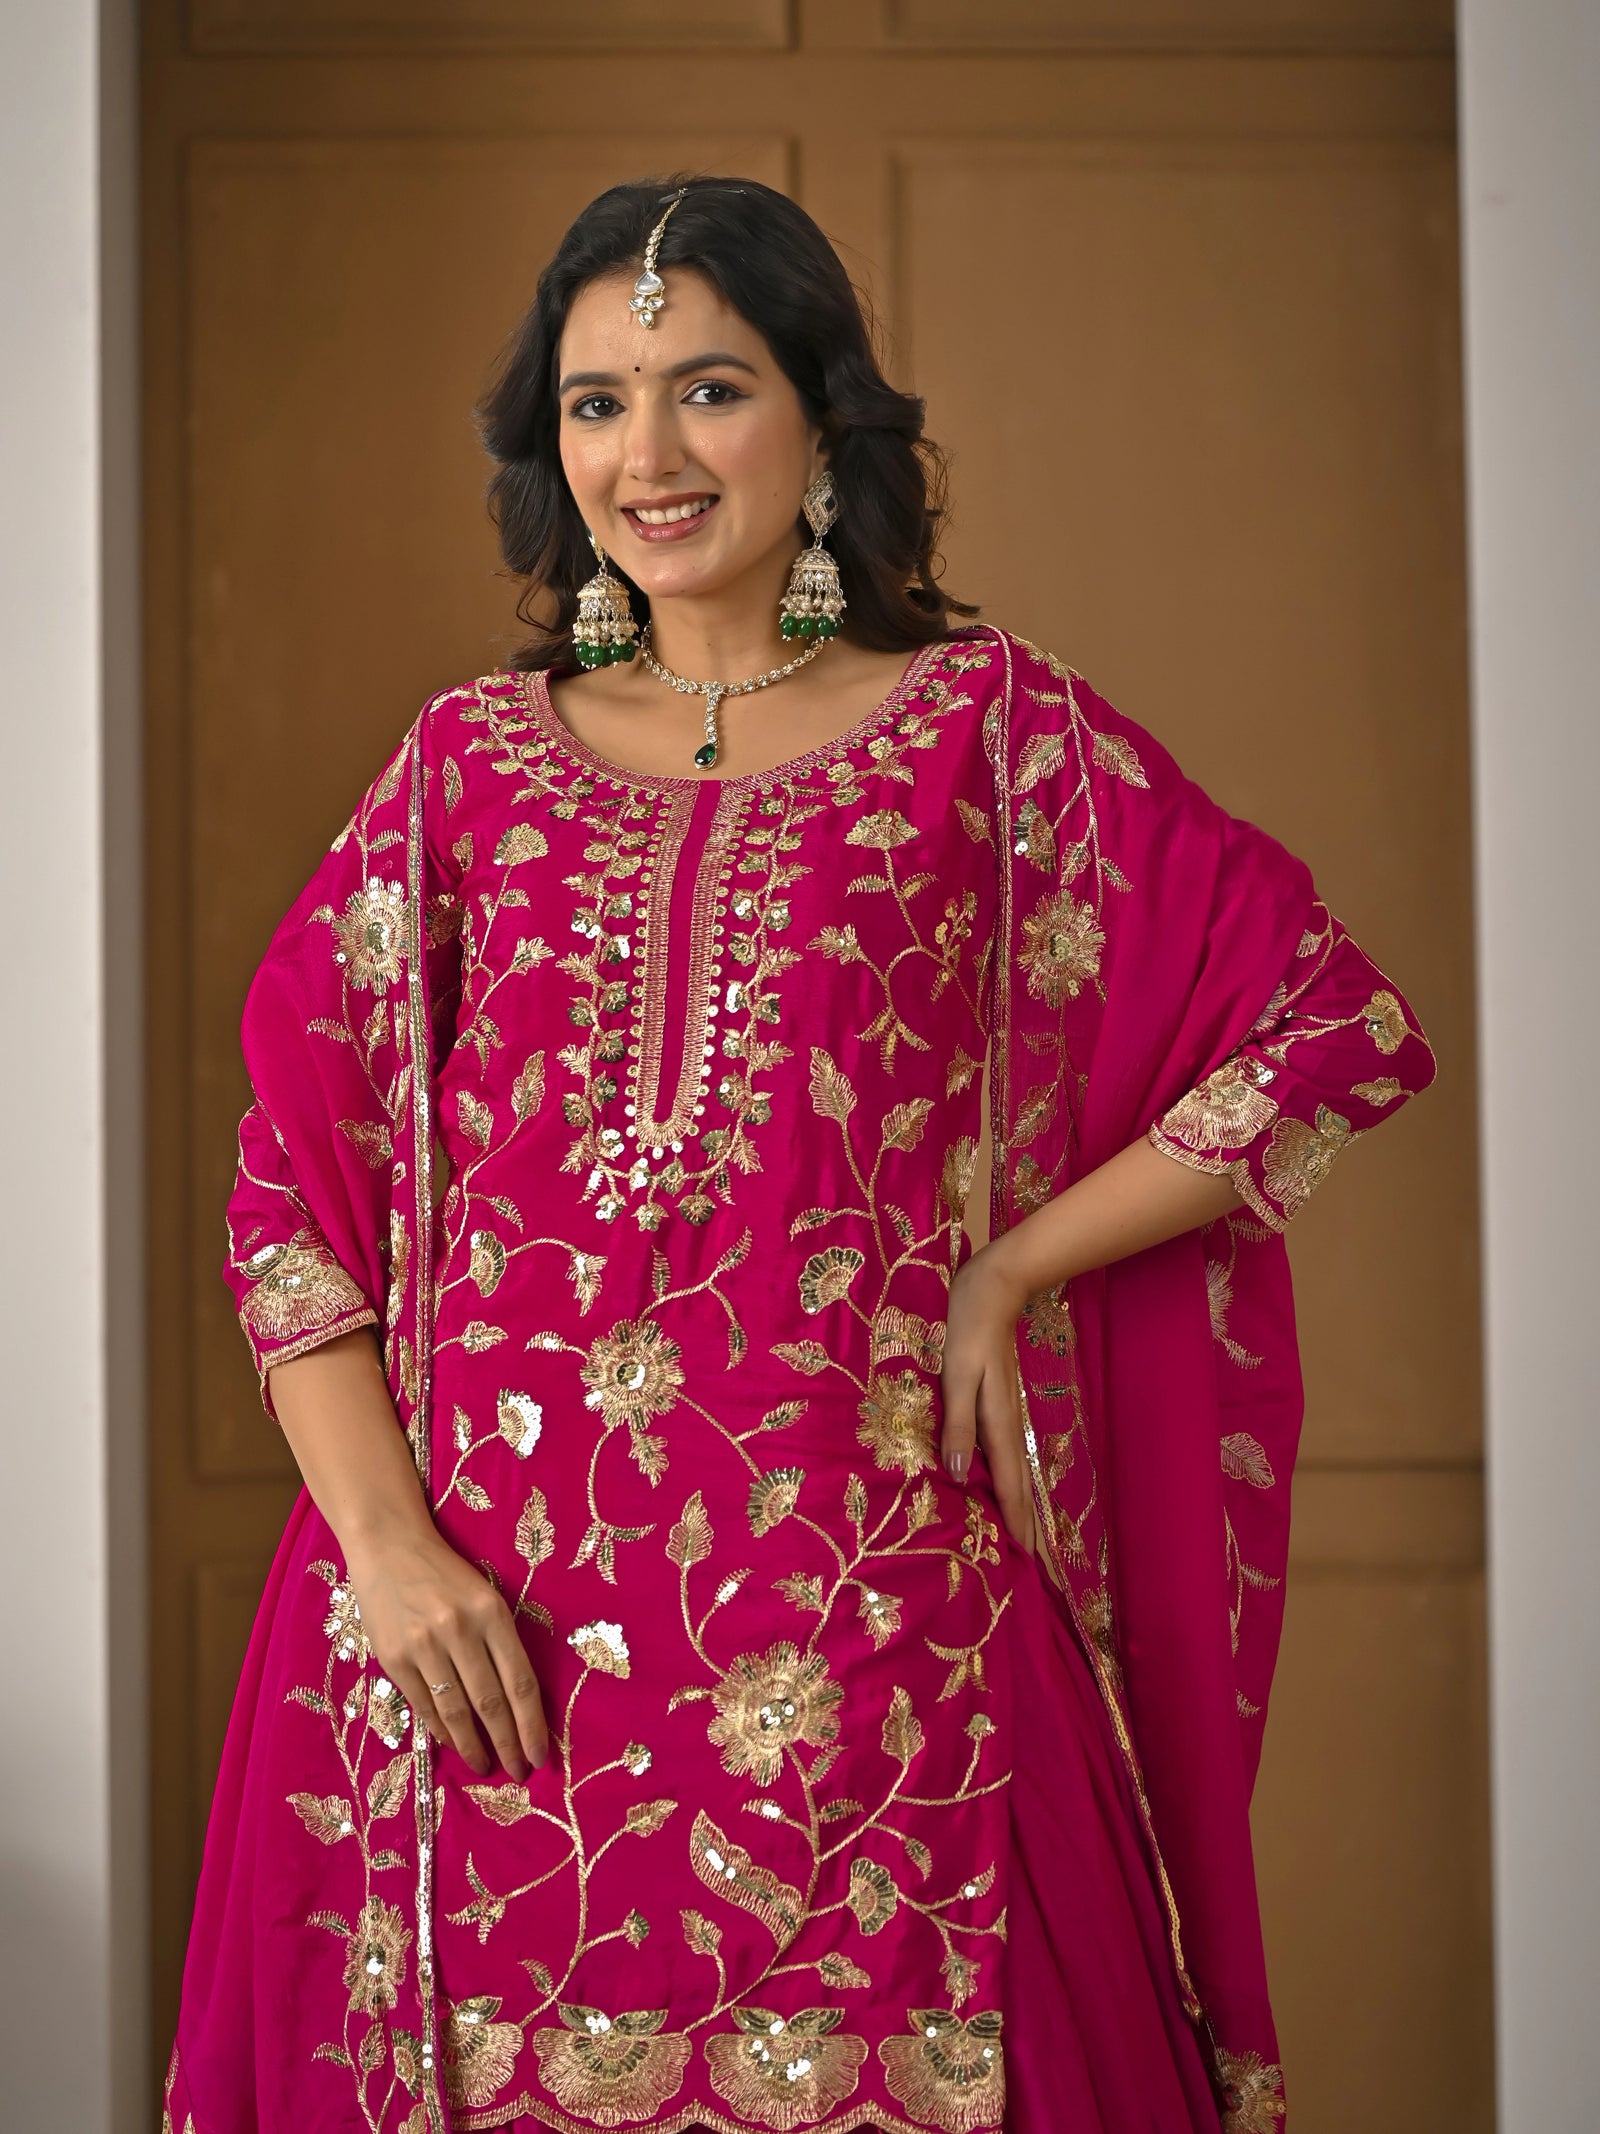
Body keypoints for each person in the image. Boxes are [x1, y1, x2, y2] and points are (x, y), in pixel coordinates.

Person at [164, 178, 1435, 2134]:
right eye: (594, 402)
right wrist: (389, 1548)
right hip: (473, 1674)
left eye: (707, 388)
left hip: (873, 1648)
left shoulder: (979, 735)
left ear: (823, 421)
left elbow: (1319, 1024)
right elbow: (289, 1209)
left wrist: (1010, 1271)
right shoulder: (458, 775)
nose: (645, 454)